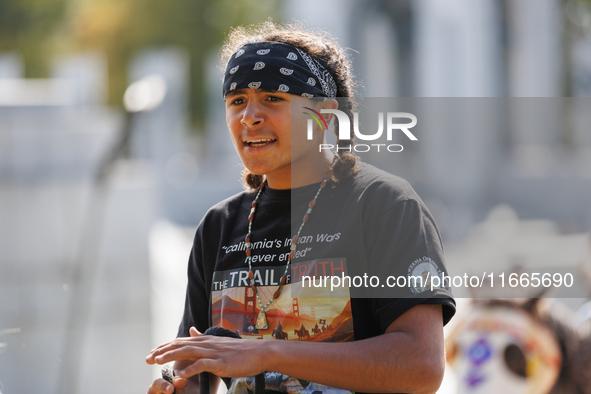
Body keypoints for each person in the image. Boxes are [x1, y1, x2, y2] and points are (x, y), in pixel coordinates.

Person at [146, 21, 455, 394]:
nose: (249, 117)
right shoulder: (219, 226)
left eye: (273, 98)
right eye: (237, 100)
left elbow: (421, 366)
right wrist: (177, 388)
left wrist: (269, 353)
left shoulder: (383, 204)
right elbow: (195, 373)